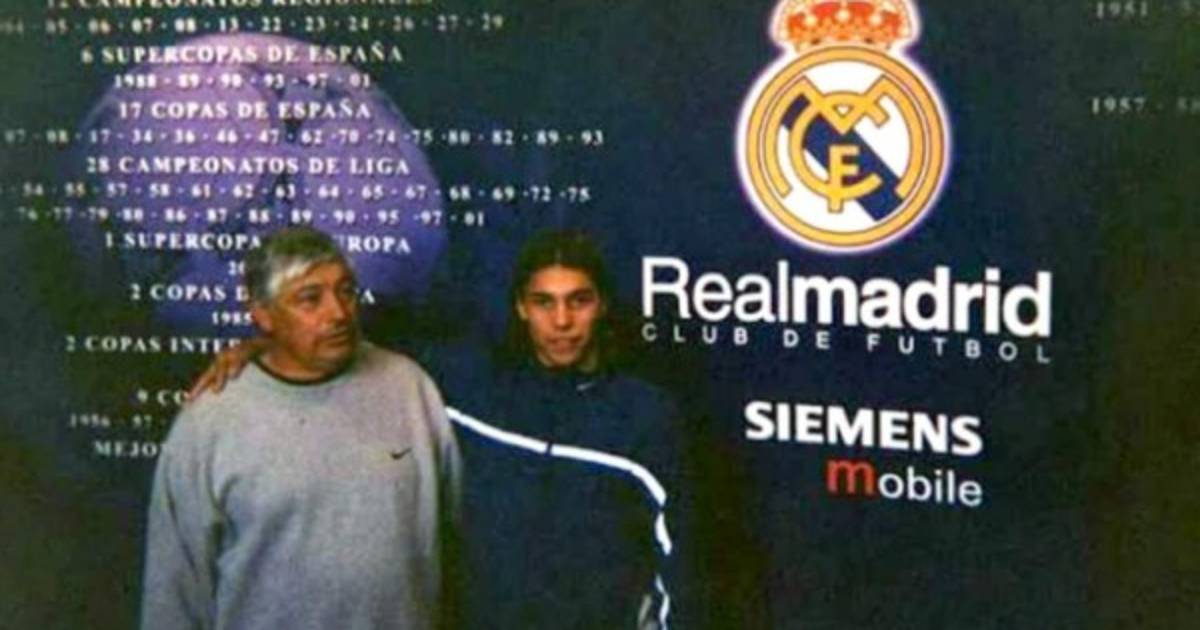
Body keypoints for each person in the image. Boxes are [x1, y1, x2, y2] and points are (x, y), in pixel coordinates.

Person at [190, 229, 681, 629]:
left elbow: (679, 569)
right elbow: (330, 339)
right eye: (543, 302)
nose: (562, 321)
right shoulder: (470, 388)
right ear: (520, 307)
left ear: (602, 306)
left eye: (579, 301)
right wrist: (262, 345)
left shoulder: (645, 416)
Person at [142, 226, 461, 630]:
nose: (339, 313)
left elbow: (457, 541)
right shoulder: (210, 422)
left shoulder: (410, 387)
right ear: (262, 313)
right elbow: (174, 589)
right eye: (311, 299)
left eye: (346, 291)